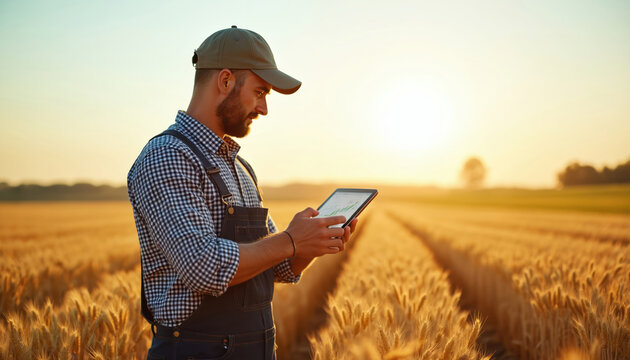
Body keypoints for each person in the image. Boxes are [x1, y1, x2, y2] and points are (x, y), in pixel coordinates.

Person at [127, 26, 358, 360]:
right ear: (224, 81)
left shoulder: (241, 168)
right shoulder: (168, 156)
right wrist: (291, 240)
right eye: (260, 92)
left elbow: (275, 265)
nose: (263, 109)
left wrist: (310, 244)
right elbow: (201, 266)